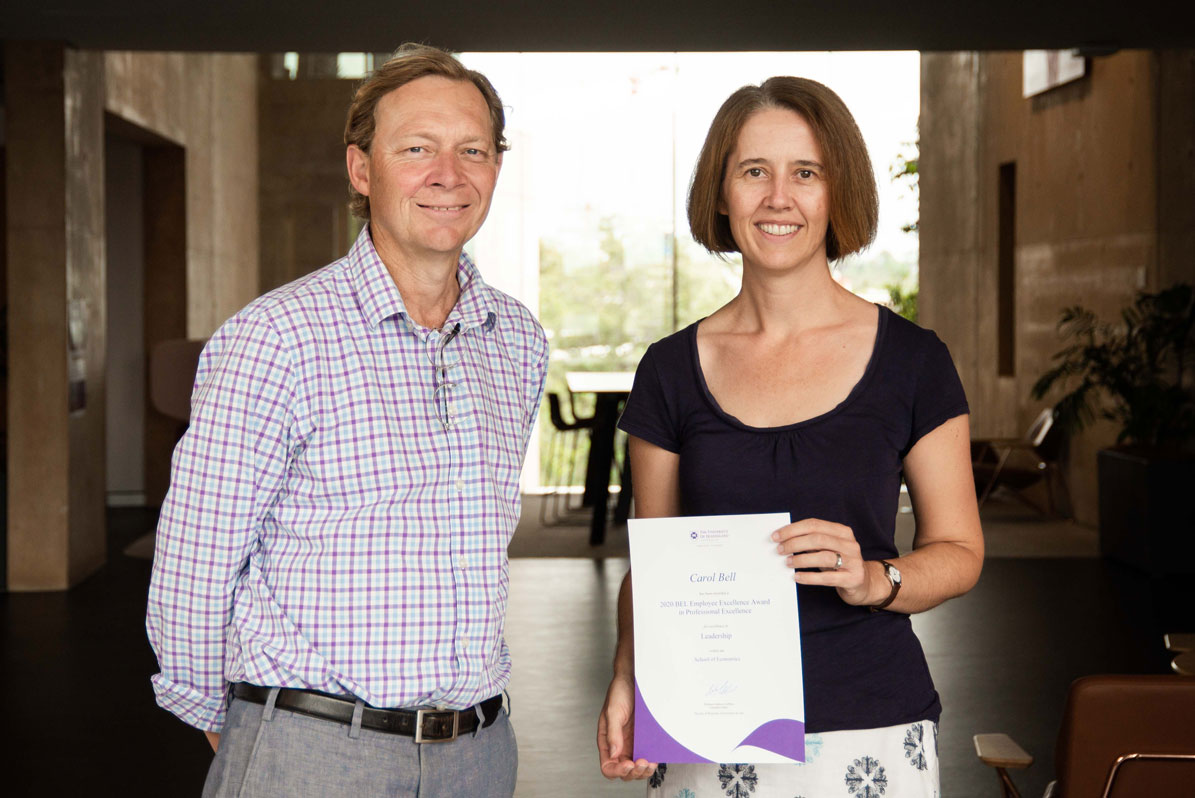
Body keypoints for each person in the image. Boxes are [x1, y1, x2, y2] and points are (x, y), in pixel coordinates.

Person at [147, 43, 547, 797]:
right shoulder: (277, 338)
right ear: (362, 170)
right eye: (416, 149)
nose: (447, 174)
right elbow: (194, 562)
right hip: (316, 750)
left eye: (472, 150)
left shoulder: (516, 339)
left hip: (480, 753)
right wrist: (241, 724)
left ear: (496, 166)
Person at [597, 76, 983, 796]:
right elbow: (651, 565)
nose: (779, 197)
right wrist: (627, 677)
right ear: (721, 193)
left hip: (872, 726)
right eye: (753, 172)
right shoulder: (670, 370)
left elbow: (960, 551)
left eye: (805, 172)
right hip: (706, 728)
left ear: (837, 193)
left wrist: (876, 580)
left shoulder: (912, 361)